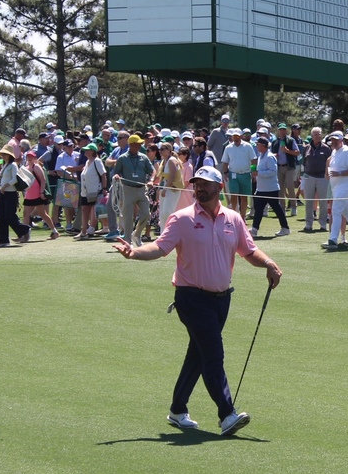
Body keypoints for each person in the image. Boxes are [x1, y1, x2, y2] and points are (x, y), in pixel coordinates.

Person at [112, 164, 283, 435]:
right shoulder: (182, 218)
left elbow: (248, 251)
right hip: (191, 297)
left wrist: (269, 264)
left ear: (219, 187)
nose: (199, 188)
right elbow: (160, 247)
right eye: (196, 183)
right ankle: (227, 413)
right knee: (213, 353)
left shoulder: (232, 219)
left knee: (198, 354)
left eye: (205, 184)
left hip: (221, 299)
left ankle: (178, 409)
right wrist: (135, 253)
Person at [112, 134, 154, 247]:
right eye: (137, 144)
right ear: (131, 145)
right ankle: (127, 241)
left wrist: (151, 180)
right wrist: (116, 176)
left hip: (141, 189)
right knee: (128, 216)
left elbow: (152, 171)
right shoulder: (122, 158)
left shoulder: (143, 157)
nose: (140, 146)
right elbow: (116, 171)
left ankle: (136, 234)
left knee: (146, 214)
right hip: (127, 189)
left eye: (140, 144)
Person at [323, 131, 348, 249]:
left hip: (345, 187)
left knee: (336, 210)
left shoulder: (346, 151)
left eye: (336, 139)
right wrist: (329, 174)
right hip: (336, 187)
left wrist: (339, 173)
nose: (333, 142)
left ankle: (333, 239)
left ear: (341, 140)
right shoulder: (334, 151)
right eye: (332, 140)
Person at [251, 136, 291, 237]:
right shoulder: (261, 156)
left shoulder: (269, 157)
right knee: (259, 209)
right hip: (261, 188)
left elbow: (273, 172)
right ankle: (254, 229)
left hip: (270, 189)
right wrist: (257, 175)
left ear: (263, 146)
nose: (257, 146)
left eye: (258, 144)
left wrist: (259, 173)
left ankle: (285, 228)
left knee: (277, 208)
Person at [21, 151, 60, 239]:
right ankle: (25, 233)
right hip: (30, 194)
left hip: (37, 194)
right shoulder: (26, 168)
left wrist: (42, 192)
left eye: (32, 157)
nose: (30, 158)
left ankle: (54, 231)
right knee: (26, 214)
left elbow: (43, 180)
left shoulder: (37, 167)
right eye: (28, 157)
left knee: (43, 214)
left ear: (35, 158)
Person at [301, 127, 331, 232]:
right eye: (315, 134)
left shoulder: (326, 148)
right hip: (309, 176)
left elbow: (330, 162)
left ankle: (323, 224)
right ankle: (308, 224)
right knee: (309, 201)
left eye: (319, 134)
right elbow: (304, 162)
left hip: (323, 177)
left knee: (323, 201)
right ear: (312, 136)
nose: (318, 136)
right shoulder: (307, 148)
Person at [76, 144, 107, 239]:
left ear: (92, 151)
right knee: (85, 210)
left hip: (95, 190)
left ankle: (91, 229)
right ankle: (83, 231)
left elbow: (103, 175)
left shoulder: (97, 161)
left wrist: (104, 188)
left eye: (87, 150)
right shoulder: (87, 162)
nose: (85, 151)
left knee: (95, 210)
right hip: (85, 191)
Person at [151, 141, 182, 235]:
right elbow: (161, 177)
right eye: (160, 149)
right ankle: (163, 234)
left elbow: (172, 176)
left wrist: (165, 189)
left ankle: (172, 233)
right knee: (162, 214)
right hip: (164, 188)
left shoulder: (172, 160)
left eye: (163, 149)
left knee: (168, 212)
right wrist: (159, 190)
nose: (160, 151)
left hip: (172, 189)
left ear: (169, 150)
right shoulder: (163, 161)